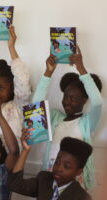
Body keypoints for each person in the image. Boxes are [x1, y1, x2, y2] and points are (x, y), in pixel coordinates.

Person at [33, 47, 103, 189]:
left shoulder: (87, 123)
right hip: (50, 177)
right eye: (65, 96)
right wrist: (48, 72)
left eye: (73, 98)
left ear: (84, 100)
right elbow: (35, 108)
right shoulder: (55, 117)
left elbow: (97, 102)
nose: (66, 101)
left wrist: (81, 68)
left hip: (74, 184)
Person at [8, 135, 93, 200]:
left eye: (66, 166)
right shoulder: (44, 179)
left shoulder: (82, 197)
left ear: (79, 171)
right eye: (57, 162)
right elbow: (15, 184)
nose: (58, 168)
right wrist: (25, 150)